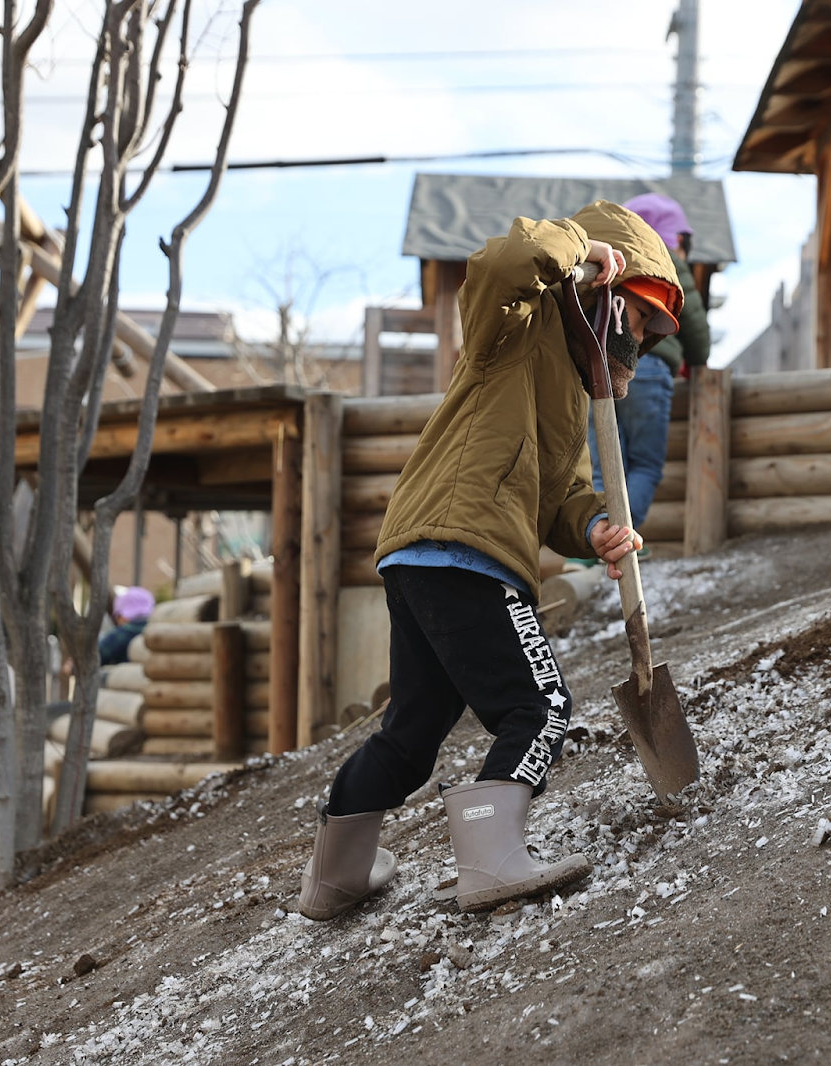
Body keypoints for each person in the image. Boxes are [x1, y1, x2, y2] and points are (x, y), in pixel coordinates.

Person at [298, 201, 683, 920]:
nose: (646, 340)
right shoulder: (514, 327)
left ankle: (335, 877)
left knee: (411, 735)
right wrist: (584, 248)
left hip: (427, 553)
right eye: (643, 318)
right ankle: (489, 862)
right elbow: (504, 262)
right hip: (464, 548)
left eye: (658, 332)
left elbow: (558, 492)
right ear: (602, 289)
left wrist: (594, 524)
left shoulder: (570, 388)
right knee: (539, 706)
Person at [583, 193, 711, 532]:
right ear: (676, 238)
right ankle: (618, 543)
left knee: (604, 465)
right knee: (645, 465)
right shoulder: (666, 261)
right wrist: (697, 360)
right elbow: (696, 327)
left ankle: (592, 539)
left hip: (600, 364)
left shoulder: (614, 256)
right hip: (651, 368)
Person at [98, 586, 153, 666]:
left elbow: (96, 654)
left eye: (117, 616)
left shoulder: (123, 633)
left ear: (123, 615)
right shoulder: (155, 630)